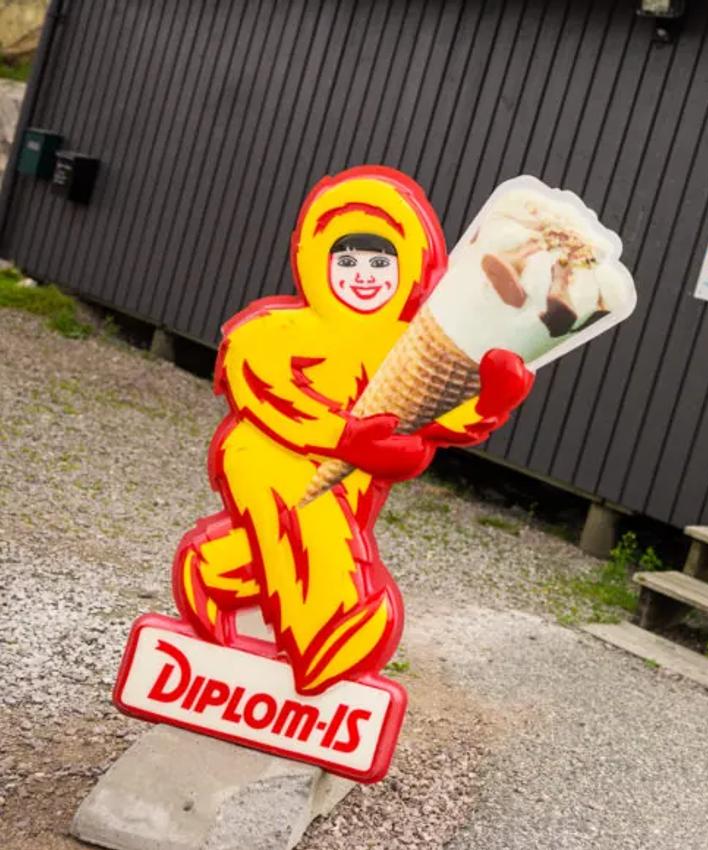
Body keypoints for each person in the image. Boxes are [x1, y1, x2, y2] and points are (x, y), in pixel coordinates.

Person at [172, 166, 532, 695]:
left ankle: (215, 571)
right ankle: (339, 626)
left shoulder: (409, 345)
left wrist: (491, 400)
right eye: (347, 260)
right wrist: (344, 436)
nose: (364, 275)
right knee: (300, 510)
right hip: (267, 456)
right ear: (318, 262)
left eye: (380, 261)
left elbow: (437, 410)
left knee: (283, 546)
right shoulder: (274, 330)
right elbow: (265, 394)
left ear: (405, 265)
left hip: (349, 484)